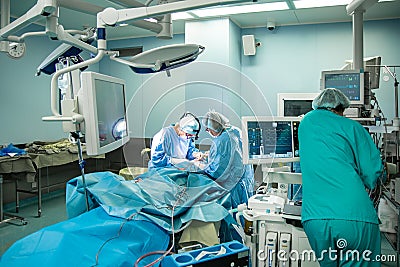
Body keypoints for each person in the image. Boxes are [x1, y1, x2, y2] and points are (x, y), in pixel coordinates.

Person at [298, 88, 386, 266]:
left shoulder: (305, 123)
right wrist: (384, 173)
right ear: (341, 108)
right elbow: (372, 173)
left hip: (315, 220)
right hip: (354, 218)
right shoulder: (352, 127)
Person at [202, 110, 254, 208]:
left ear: (214, 127)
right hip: (245, 180)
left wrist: (203, 167)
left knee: (235, 214)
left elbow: (218, 171)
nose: (208, 131)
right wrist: (210, 155)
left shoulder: (222, 140)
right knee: (245, 212)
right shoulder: (235, 130)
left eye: (208, 129)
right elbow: (234, 154)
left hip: (233, 185)